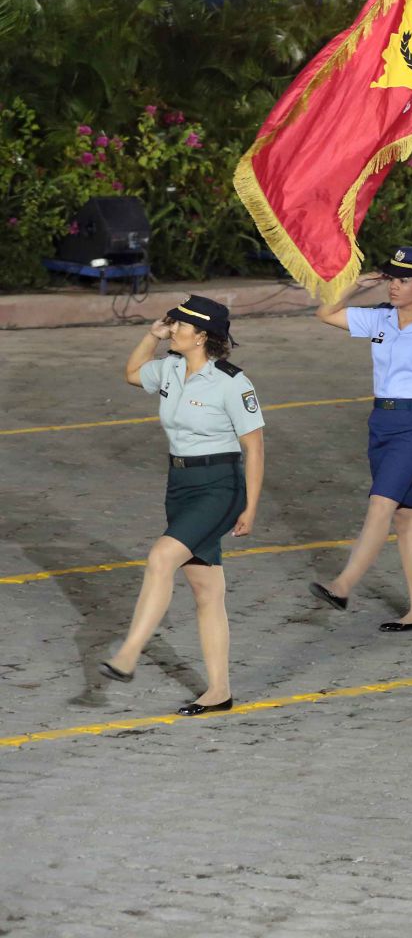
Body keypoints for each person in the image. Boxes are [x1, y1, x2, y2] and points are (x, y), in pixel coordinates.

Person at [99, 297, 265, 715]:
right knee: (206, 590)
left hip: (219, 487)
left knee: (161, 557)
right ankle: (219, 690)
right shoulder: (171, 367)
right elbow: (133, 373)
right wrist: (150, 336)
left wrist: (250, 507)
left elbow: (255, 448)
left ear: (203, 336)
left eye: (179, 325)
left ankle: (129, 653)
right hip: (180, 484)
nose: (172, 329)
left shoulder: (231, 382)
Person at [308, 248, 412, 630]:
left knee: (381, 505)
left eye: (404, 280)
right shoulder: (379, 318)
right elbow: (325, 313)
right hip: (382, 422)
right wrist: (353, 286)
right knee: (406, 521)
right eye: (392, 278)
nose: (394, 285)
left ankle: (343, 585)